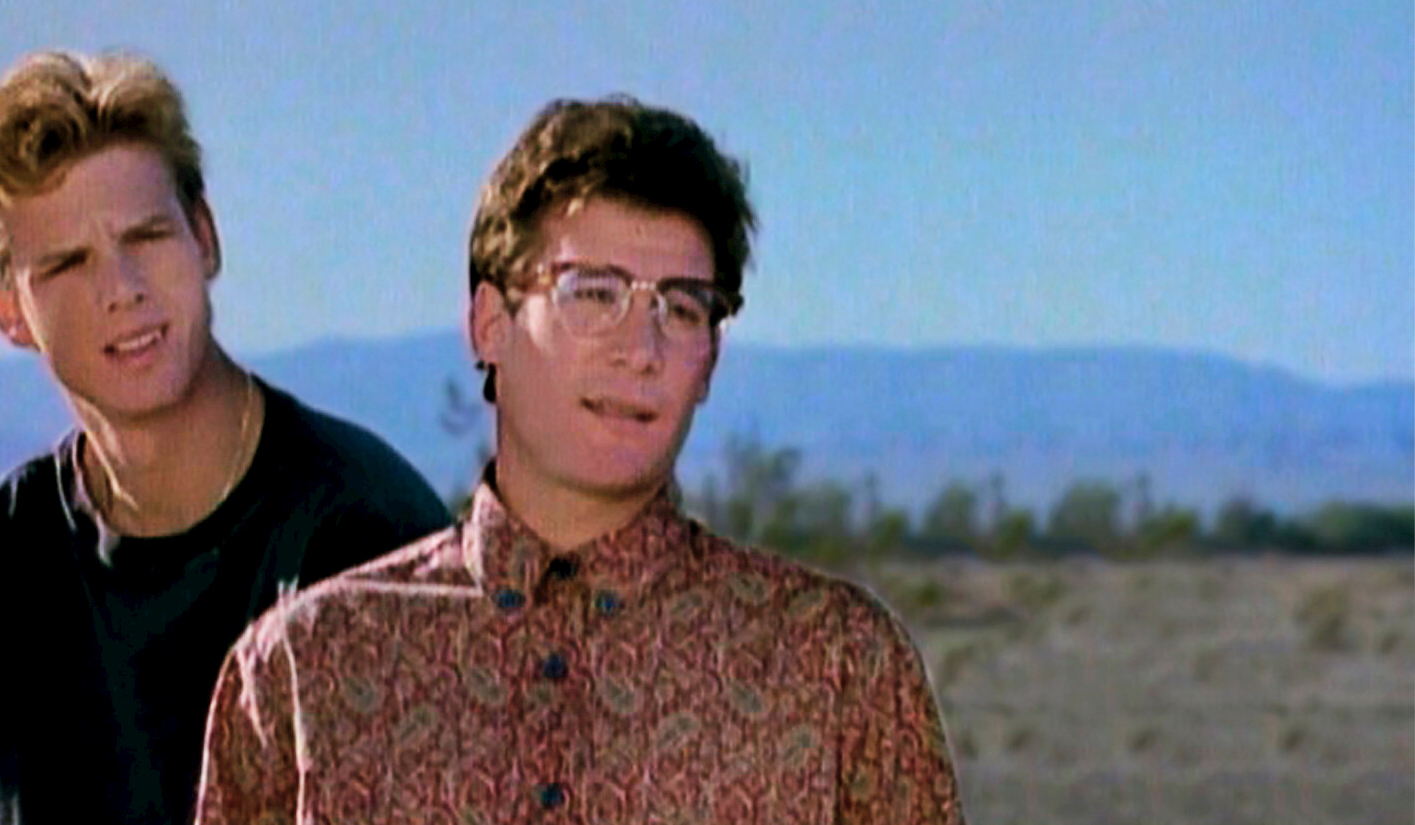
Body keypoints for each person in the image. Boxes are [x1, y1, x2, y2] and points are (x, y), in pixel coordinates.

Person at [197, 96, 966, 822]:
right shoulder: (305, 672)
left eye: (682, 308)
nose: (641, 348)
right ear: (490, 324)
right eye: (594, 294)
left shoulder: (838, 668)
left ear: (709, 361)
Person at [0, 50, 450, 825]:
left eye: (147, 236)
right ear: (6, 309)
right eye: (68, 264)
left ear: (204, 238)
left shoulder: (365, 541)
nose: (123, 289)